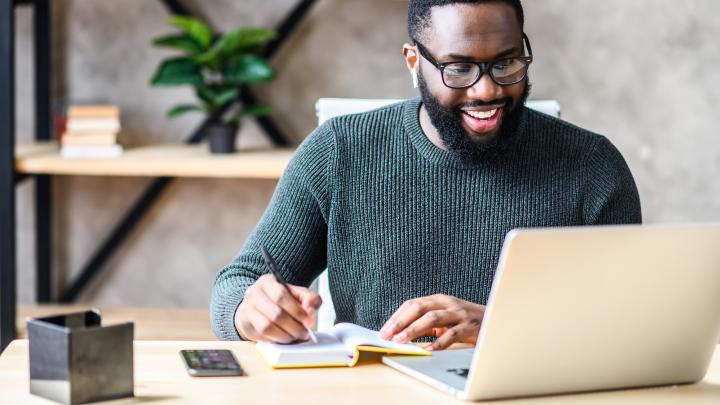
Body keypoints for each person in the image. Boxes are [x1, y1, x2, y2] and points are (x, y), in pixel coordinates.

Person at [211, 0, 641, 351]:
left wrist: (497, 325)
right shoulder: (338, 152)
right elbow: (234, 286)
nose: (486, 90)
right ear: (414, 62)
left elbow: (632, 323)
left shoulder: (592, 166)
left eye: (506, 63)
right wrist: (251, 311)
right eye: (458, 69)